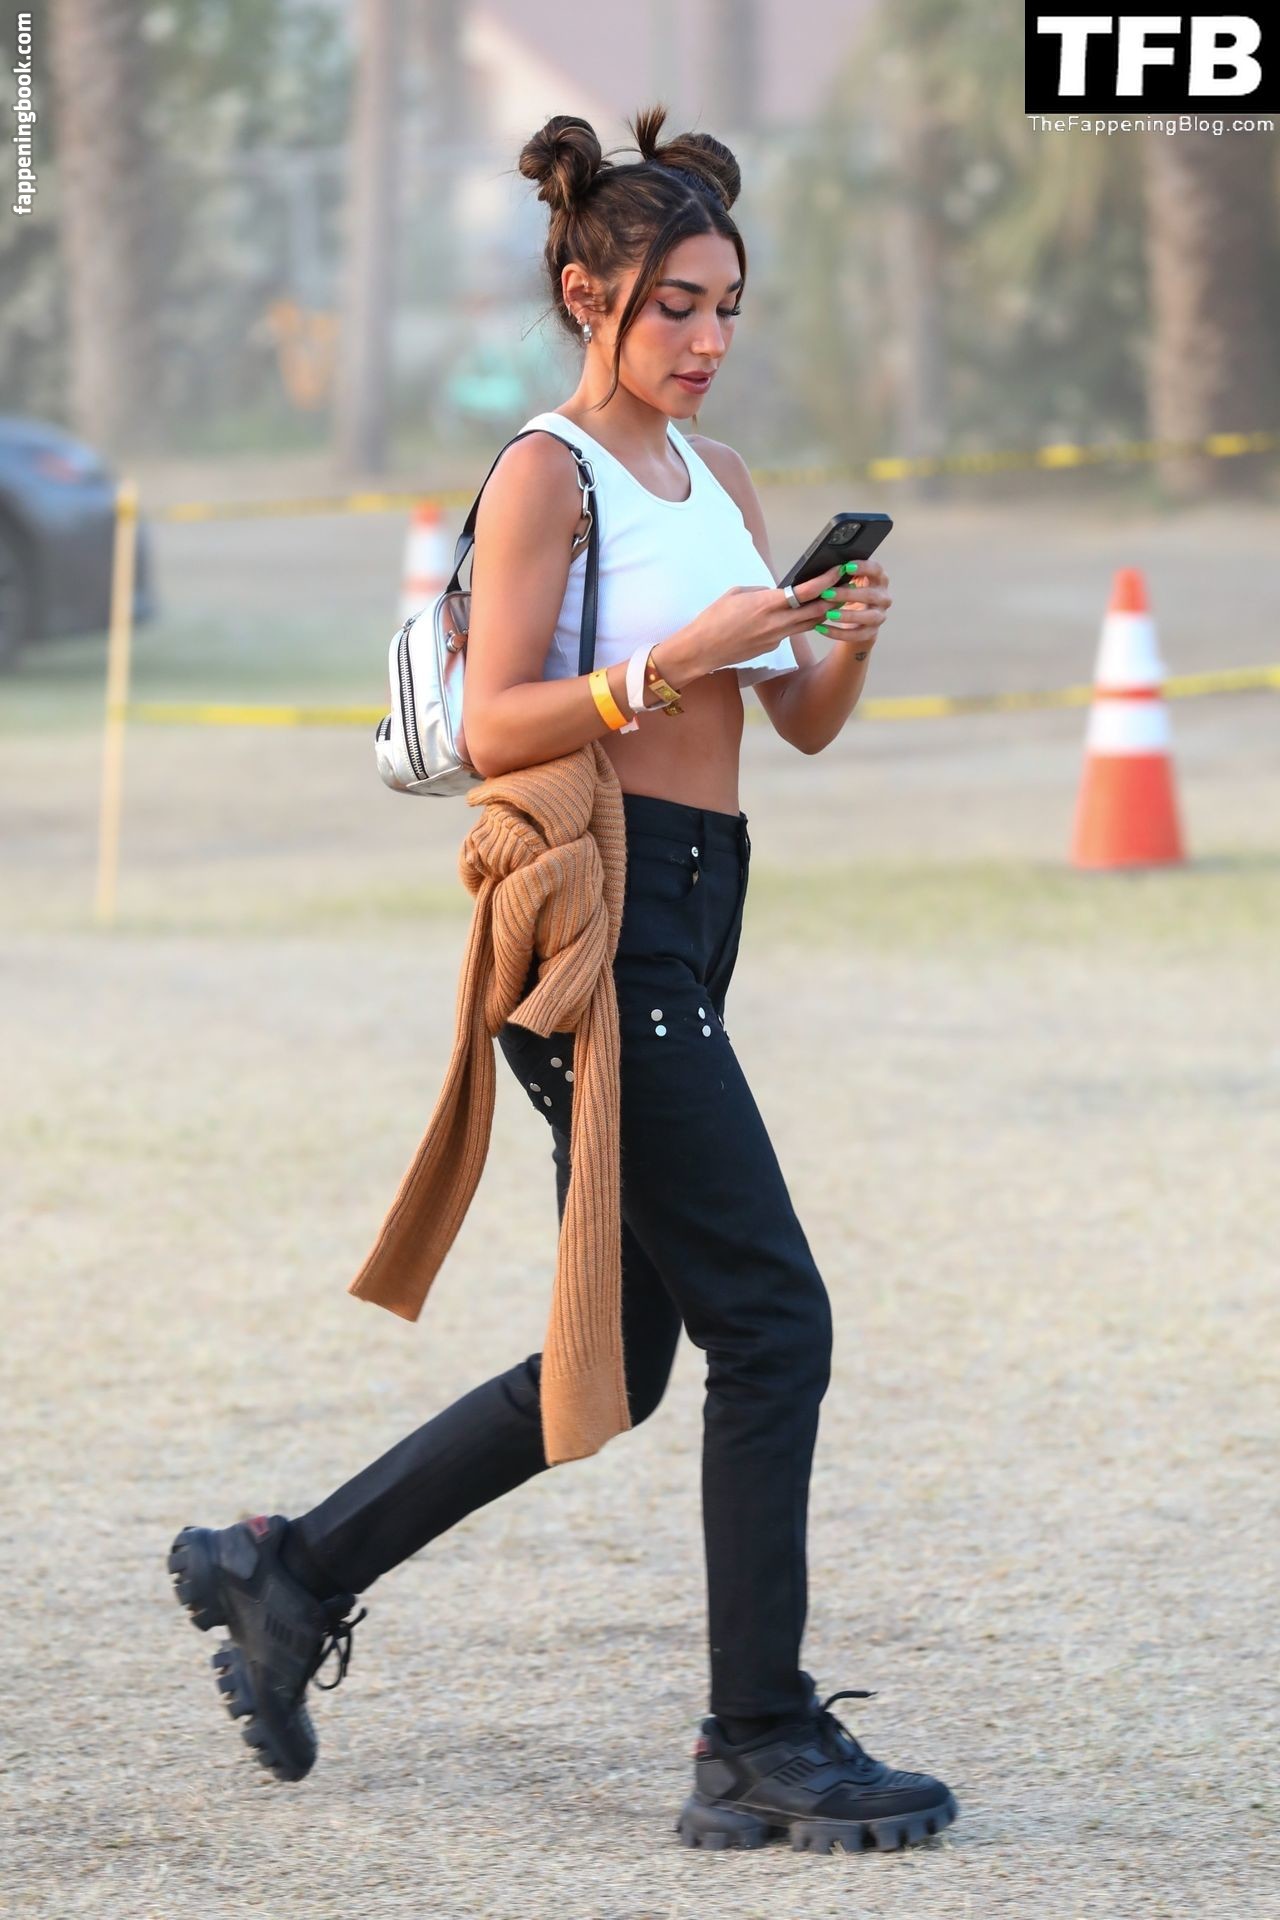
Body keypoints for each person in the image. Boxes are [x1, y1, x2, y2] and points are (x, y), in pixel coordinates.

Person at [167, 105, 958, 1856]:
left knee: (623, 1358)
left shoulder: (721, 480)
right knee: (777, 1326)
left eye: (729, 306)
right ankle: (756, 1738)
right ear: (590, 296)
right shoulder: (548, 474)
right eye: (677, 304)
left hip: (703, 906)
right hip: (601, 928)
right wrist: (666, 663)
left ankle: (288, 1570)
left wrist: (834, 642)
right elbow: (491, 716)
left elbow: (795, 730)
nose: (709, 337)